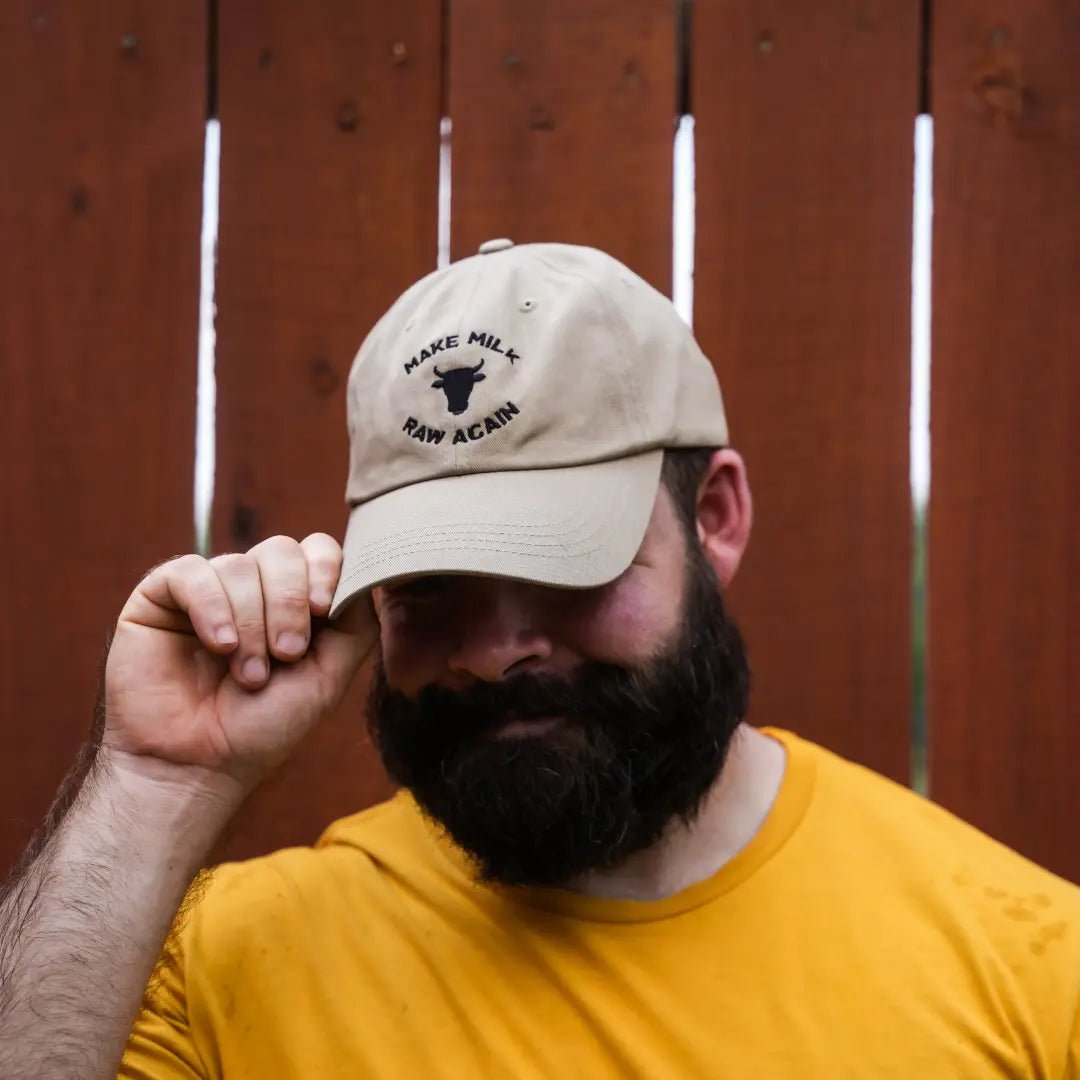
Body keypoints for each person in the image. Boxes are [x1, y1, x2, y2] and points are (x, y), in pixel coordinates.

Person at [0, 240, 1077, 1079]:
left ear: (714, 518)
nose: (493, 653)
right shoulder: (216, 972)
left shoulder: (1028, 972)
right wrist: (153, 782)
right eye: (431, 587)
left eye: (569, 567)